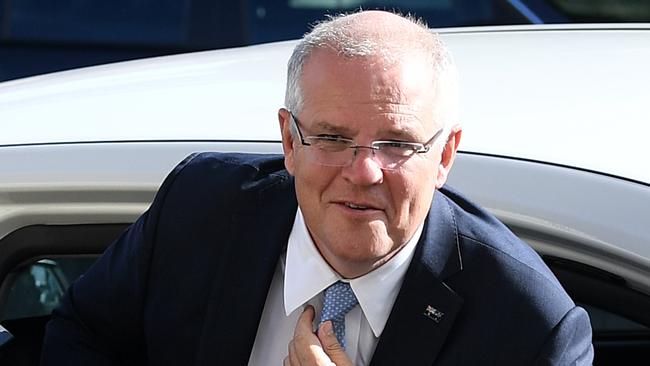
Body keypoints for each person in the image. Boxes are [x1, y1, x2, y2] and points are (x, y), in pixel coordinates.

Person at [40, 10, 594, 366]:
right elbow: (81, 338)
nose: (364, 171)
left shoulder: (531, 329)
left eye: (397, 143)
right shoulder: (198, 208)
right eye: (332, 137)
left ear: (445, 155)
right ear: (288, 139)